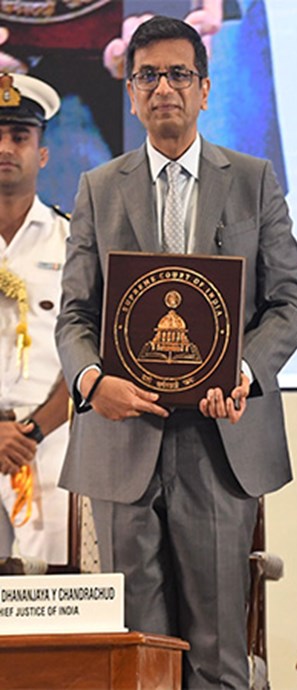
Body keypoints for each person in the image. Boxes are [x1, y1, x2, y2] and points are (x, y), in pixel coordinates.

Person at [54, 15, 297, 688]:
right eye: (148, 76)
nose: (163, 88)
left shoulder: (254, 181)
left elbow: (290, 305)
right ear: (131, 92)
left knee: (219, 656)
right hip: (121, 437)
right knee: (138, 656)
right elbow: (75, 314)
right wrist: (89, 380)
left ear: (203, 89)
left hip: (220, 439)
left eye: (178, 74)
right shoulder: (97, 188)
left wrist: (244, 372)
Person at [0, 72, 71, 566]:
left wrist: (31, 434)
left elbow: (90, 354)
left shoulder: (73, 243)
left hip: (47, 446)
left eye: (20, 136)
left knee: (51, 600)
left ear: (41, 154)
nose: (6, 147)